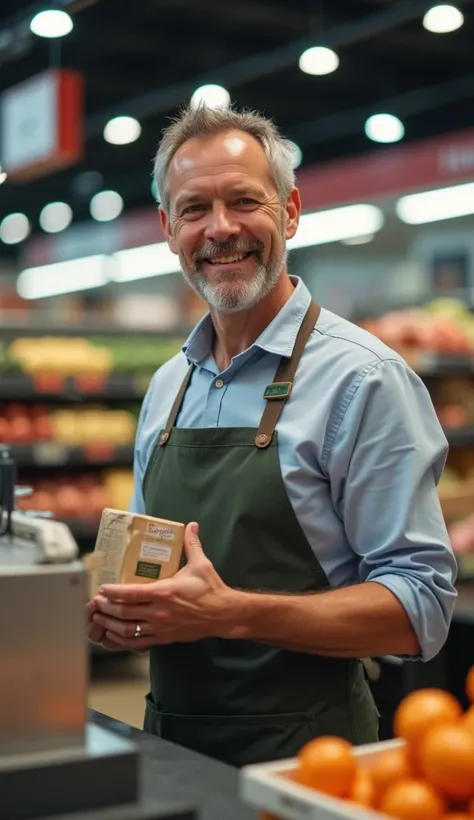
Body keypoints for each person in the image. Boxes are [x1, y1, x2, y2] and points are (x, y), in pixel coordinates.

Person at [88, 104, 457, 768]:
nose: (221, 228)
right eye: (194, 209)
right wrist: (117, 617)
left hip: (313, 764)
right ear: (170, 231)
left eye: (244, 200)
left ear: (289, 212)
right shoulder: (169, 386)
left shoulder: (364, 379)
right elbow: (156, 578)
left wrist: (231, 612)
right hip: (173, 748)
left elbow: (419, 608)